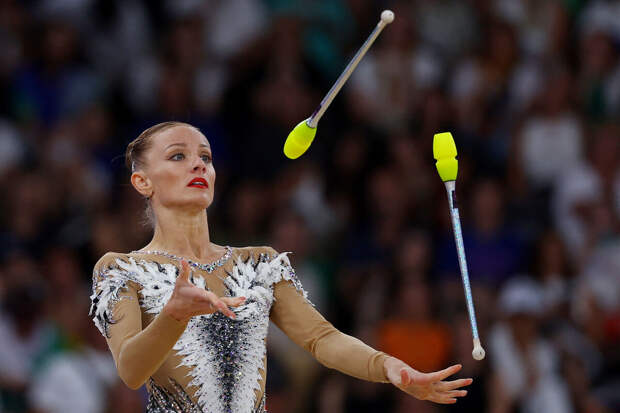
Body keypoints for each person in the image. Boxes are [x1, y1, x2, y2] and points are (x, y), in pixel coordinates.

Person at [89, 121, 472, 412]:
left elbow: (321, 339)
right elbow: (131, 372)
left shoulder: (261, 263)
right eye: (178, 156)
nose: (198, 165)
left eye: (205, 157)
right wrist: (172, 315)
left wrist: (388, 367)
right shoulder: (121, 270)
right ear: (142, 182)